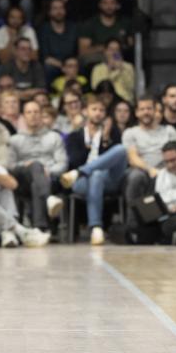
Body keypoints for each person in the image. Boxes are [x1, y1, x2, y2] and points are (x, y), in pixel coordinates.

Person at [60, 95, 125, 245]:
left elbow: (114, 159)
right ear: (85, 111)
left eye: (102, 110)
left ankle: (82, 171)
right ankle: (96, 227)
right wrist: (88, 145)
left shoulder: (113, 133)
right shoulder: (75, 136)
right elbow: (74, 160)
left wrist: (105, 139)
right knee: (95, 175)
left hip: (109, 178)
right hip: (81, 182)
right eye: (94, 109)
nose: (98, 113)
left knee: (121, 150)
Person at [122, 95, 176, 232]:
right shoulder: (131, 132)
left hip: (168, 168)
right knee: (136, 177)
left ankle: (169, 227)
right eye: (142, 109)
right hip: (141, 169)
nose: (145, 112)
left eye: (149, 108)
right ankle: (133, 226)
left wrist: (165, 169)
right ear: (136, 113)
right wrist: (150, 169)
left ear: (156, 110)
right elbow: (132, 157)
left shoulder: (169, 131)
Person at [7, 100, 67, 232]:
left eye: (36, 112)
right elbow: (10, 166)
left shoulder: (54, 137)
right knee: (35, 166)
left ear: (41, 115)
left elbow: (63, 164)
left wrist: (48, 171)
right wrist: (26, 165)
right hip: (22, 180)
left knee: (37, 183)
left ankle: (39, 228)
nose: (33, 115)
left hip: (50, 178)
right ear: (23, 116)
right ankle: (48, 199)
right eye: (29, 112)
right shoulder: (14, 140)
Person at [90, 38, 135, 104]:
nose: (114, 52)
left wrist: (121, 69)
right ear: (105, 51)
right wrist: (110, 70)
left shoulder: (128, 67)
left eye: (117, 49)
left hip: (125, 102)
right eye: (111, 49)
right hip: (105, 103)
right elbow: (97, 87)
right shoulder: (98, 68)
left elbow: (131, 87)